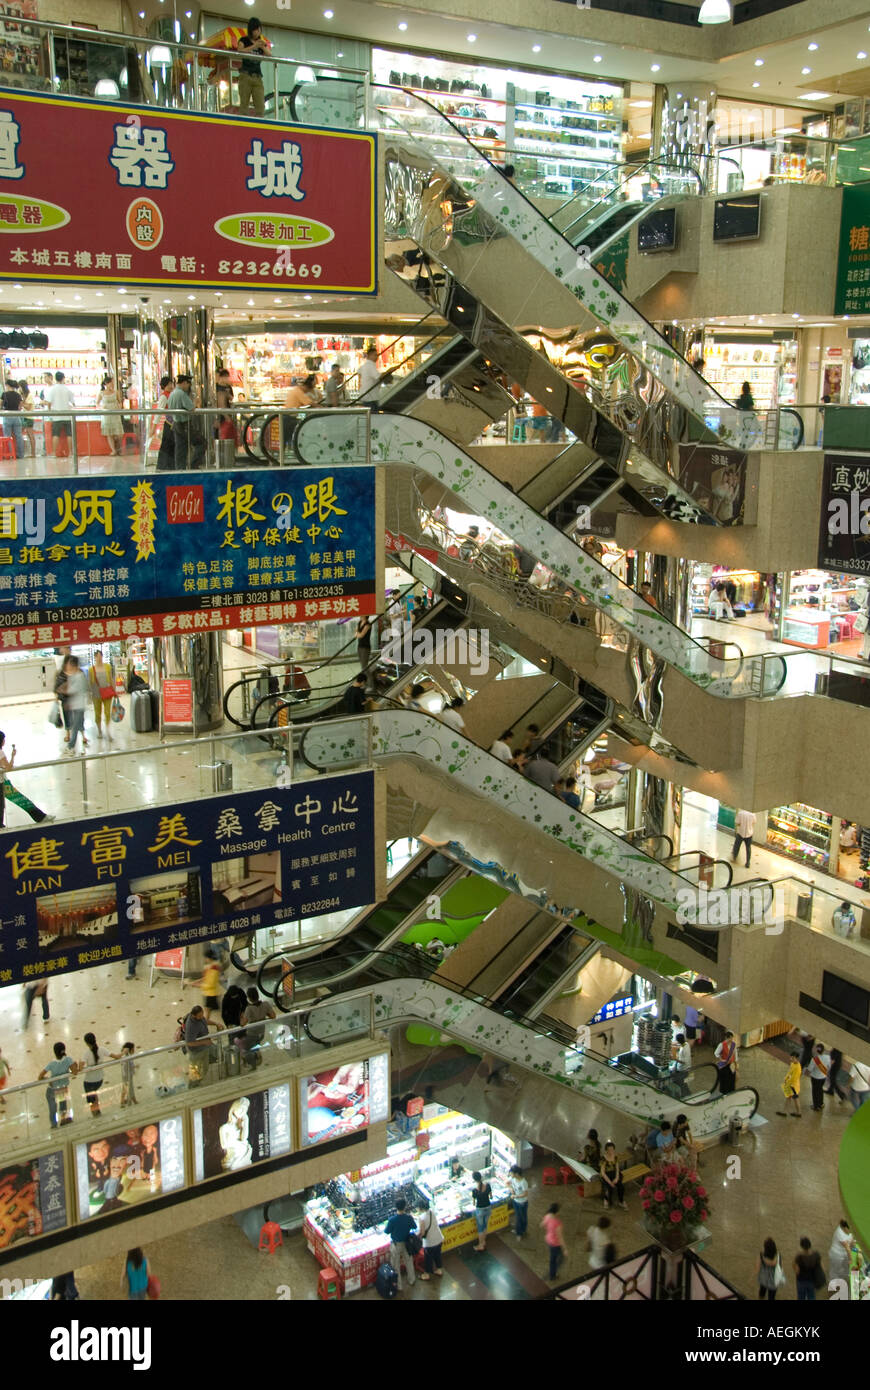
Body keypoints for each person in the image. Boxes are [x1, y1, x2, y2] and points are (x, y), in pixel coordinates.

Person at [236, 16, 270, 117]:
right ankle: (243, 127)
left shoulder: (261, 42)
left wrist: (262, 46)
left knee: (260, 107)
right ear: (252, 29)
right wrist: (253, 46)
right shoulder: (244, 40)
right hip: (245, 75)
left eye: (259, 30)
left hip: (257, 76)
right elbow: (240, 51)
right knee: (244, 105)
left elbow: (269, 55)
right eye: (256, 29)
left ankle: (259, 127)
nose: (258, 32)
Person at [38, 1041, 76, 1128]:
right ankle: (63, 1120)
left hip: (52, 1089)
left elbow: (40, 1076)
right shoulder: (68, 1060)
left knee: (52, 1108)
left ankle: (54, 1124)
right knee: (63, 1105)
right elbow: (74, 1071)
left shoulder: (52, 1064)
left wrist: (49, 1079)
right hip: (63, 1087)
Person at [384, 1198, 416, 1289]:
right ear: (405, 1207)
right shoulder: (409, 1218)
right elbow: (414, 1226)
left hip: (396, 1245)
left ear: (396, 1207)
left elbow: (386, 1231)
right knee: (409, 1262)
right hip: (407, 1243)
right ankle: (412, 1280)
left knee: (396, 1265)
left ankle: (399, 1285)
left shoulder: (392, 1220)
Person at [60, 655, 89, 754]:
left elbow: (74, 690)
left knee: (75, 727)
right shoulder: (73, 675)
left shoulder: (80, 676)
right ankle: (80, 742)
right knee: (77, 725)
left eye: (69, 664)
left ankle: (71, 746)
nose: (67, 666)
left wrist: (64, 690)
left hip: (79, 706)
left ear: (73, 665)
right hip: (75, 705)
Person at [240, 986, 275, 1065]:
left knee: (246, 1048)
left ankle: (252, 1062)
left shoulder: (249, 1009)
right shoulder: (265, 1005)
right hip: (261, 1032)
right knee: (256, 1044)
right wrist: (266, 1013)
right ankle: (256, 1056)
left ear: (249, 998)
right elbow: (273, 1016)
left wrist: (242, 1016)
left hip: (252, 1033)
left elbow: (243, 1024)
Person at [79, 1032, 111, 1117]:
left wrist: (79, 1062)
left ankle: (95, 1115)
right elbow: (116, 1056)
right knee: (94, 1093)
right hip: (99, 1079)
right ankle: (98, 1111)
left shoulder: (86, 1054)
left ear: (86, 1043)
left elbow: (80, 1068)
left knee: (91, 1100)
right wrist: (124, 1052)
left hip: (89, 1082)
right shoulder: (102, 1049)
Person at [88, 648, 116, 741]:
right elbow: (90, 683)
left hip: (107, 691)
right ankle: (99, 730)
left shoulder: (108, 666)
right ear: (95, 657)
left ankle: (108, 731)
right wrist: (89, 694)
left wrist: (114, 690)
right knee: (97, 713)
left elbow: (111, 679)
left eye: (101, 656)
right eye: (98, 656)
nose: (100, 658)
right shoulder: (91, 669)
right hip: (96, 693)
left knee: (108, 712)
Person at [47, 371, 75, 458]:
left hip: (56, 416)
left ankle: (54, 453)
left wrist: (49, 410)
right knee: (69, 434)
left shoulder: (52, 389)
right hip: (67, 415)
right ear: (63, 378)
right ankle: (71, 453)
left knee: (55, 434)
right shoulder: (67, 389)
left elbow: (49, 402)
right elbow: (73, 403)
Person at [190, 956, 222, 1026]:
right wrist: (196, 981)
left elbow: (210, 985)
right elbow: (206, 978)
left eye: (206, 958)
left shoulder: (214, 969)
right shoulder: (211, 967)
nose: (205, 959)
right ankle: (216, 1025)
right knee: (206, 1015)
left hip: (211, 995)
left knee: (205, 1017)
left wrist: (197, 985)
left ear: (209, 958)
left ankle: (218, 1025)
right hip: (209, 994)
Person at [417, 1198, 444, 1279]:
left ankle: (426, 1274)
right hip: (438, 1238)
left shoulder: (421, 1218)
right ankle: (439, 1270)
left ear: (420, 1208)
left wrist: (417, 1235)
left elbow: (422, 1233)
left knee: (428, 1259)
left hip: (430, 1242)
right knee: (437, 1255)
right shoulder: (432, 1212)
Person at [98, 376, 124, 455]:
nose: (112, 384)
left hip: (115, 414)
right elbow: (97, 403)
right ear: (106, 383)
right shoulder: (101, 393)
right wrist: (101, 407)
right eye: (110, 383)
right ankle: (114, 450)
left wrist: (119, 406)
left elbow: (120, 402)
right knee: (109, 433)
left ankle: (119, 447)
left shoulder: (116, 392)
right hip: (106, 414)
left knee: (119, 433)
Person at [154, 374, 175, 470]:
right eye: (170, 384)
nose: (171, 386)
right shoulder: (164, 397)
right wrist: (153, 427)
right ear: (165, 385)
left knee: (171, 444)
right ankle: (163, 466)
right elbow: (159, 412)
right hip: (169, 424)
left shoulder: (172, 394)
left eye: (171, 383)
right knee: (166, 445)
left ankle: (170, 465)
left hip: (173, 423)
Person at [542, 1202, 567, 1280]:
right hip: (555, 1244)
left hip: (548, 1240)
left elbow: (542, 1225)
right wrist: (565, 1249)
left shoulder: (547, 1216)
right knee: (560, 1258)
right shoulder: (557, 1223)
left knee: (553, 1258)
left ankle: (552, 1272)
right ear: (556, 1212)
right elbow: (560, 1237)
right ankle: (553, 1274)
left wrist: (549, 1231)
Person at [794, 1236, 823, 1301]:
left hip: (801, 1281)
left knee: (801, 1297)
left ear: (802, 1246)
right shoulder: (816, 1254)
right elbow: (820, 1267)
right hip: (812, 1280)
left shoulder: (799, 1257)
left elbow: (797, 1271)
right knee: (811, 1297)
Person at [600, 1141, 627, 1210]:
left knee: (621, 1187)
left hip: (615, 1174)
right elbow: (602, 1173)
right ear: (606, 1150)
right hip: (607, 1175)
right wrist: (610, 1182)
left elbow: (617, 1169)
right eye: (609, 1150)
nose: (611, 1151)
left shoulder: (615, 1157)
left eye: (612, 1149)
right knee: (609, 1187)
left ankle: (621, 1201)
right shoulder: (603, 1159)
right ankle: (606, 1200)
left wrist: (617, 1178)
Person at [805, 1042, 831, 1113]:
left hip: (815, 1078)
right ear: (824, 1050)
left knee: (815, 1091)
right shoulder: (828, 1057)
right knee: (820, 1090)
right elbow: (829, 1066)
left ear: (817, 1050)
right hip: (823, 1077)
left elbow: (809, 1070)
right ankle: (821, 1103)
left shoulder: (814, 1059)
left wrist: (805, 1073)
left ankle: (816, 1106)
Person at [1, 377, 23, 459]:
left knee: (8, 436)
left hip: (7, 416)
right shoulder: (18, 395)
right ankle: (20, 454)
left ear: (7, 385)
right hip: (17, 416)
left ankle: (10, 454)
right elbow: (20, 406)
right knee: (19, 436)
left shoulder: (4, 394)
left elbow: (0, 404)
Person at [471, 1170, 492, 1251]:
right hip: (488, 1208)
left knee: (480, 1228)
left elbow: (473, 1203)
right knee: (485, 1226)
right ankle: (483, 1242)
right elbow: (491, 1197)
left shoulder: (474, 1190)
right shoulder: (487, 1185)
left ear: (474, 1180)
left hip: (480, 1210)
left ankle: (480, 1245)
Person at [756, 1237, 782, 1301]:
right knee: (771, 1297)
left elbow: (757, 1267)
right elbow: (779, 1266)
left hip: (764, 1278)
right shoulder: (778, 1255)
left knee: (761, 1293)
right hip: (774, 1280)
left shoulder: (762, 1255)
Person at [777, 1051, 802, 1118]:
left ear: (797, 1058)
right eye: (791, 1057)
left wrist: (787, 1082)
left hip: (793, 1086)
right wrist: (786, 1078)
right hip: (791, 1085)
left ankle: (798, 1112)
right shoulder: (793, 1064)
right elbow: (789, 1072)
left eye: (793, 1058)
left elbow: (794, 1078)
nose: (791, 1059)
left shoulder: (798, 1068)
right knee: (789, 1098)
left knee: (795, 1099)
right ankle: (785, 1111)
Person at [18, 379, 35, 458]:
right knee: (21, 434)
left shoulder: (29, 395)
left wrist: (22, 403)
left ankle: (33, 453)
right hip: (23, 417)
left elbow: (29, 407)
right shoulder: (21, 395)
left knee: (30, 435)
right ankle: (23, 452)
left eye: (20, 387)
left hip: (29, 417)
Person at [671, 1032, 692, 1096]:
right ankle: (686, 1093)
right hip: (684, 1067)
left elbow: (684, 1061)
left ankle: (685, 1094)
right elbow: (680, 1046)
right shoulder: (686, 1044)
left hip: (683, 1068)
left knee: (681, 1082)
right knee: (681, 1081)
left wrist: (675, 1058)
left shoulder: (684, 1049)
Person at [120, 1041, 137, 1107]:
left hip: (126, 1075)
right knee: (129, 1088)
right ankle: (134, 1101)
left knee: (125, 1088)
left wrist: (134, 1067)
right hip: (127, 1076)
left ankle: (122, 1101)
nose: (134, 1050)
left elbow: (130, 1066)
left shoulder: (127, 1056)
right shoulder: (126, 1057)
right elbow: (128, 1066)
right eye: (133, 1049)